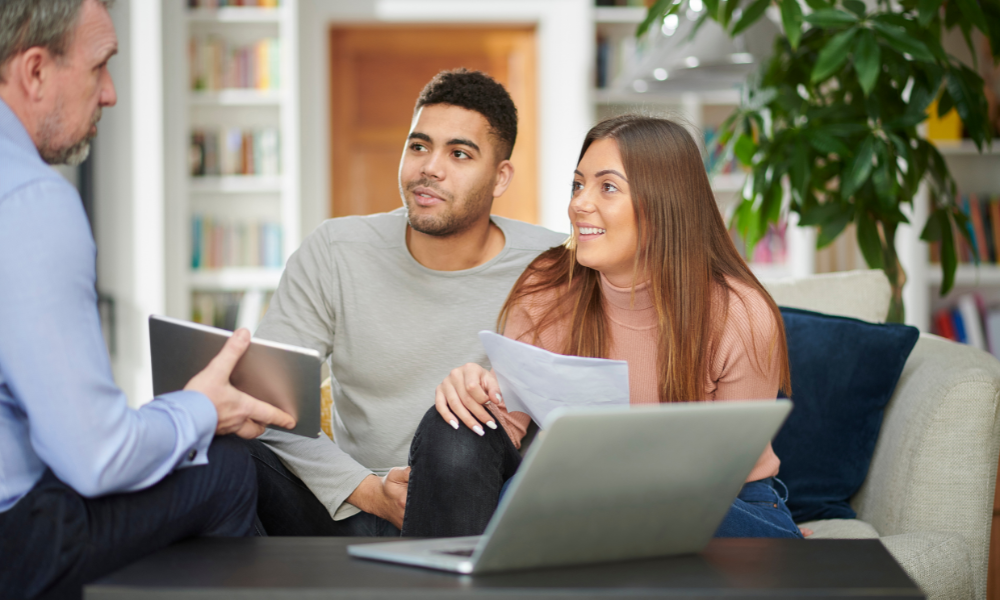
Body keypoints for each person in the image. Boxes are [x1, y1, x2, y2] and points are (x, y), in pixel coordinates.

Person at [0, 1, 296, 597]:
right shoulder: (31, 201)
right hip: (16, 538)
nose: (109, 94)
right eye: (99, 67)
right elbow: (96, 458)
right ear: (34, 72)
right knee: (231, 468)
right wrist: (203, 409)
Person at [404, 114, 804, 539]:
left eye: (607, 187)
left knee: (595, 496)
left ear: (664, 202)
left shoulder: (739, 312)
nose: (579, 203)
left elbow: (720, 477)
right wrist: (474, 393)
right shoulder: (549, 286)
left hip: (723, 502)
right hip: (586, 496)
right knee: (454, 429)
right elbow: (507, 425)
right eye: (578, 184)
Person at [245, 69, 566, 536]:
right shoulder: (336, 250)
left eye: (459, 153)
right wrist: (367, 491)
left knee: (460, 437)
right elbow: (265, 404)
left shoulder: (552, 264)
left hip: (482, 506)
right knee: (220, 448)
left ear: (500, 178)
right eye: (418, 146)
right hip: (353, 503)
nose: (429, 167)